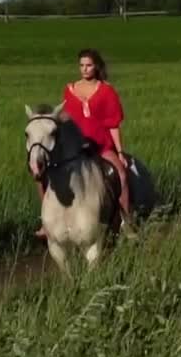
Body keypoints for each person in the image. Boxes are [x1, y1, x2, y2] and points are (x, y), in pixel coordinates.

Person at [35, 48, 134, 238]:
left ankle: (126, 221)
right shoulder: (70, 89)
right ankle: (46, 223)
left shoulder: (107, 91)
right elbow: (65, 118)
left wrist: (120, 152)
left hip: (100, 145)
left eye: (88, 65)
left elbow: (113, 124)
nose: (85, 69)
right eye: (81, 65)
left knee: (120, 174)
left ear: (96, 66)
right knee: (43, 174)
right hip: (74, 147)